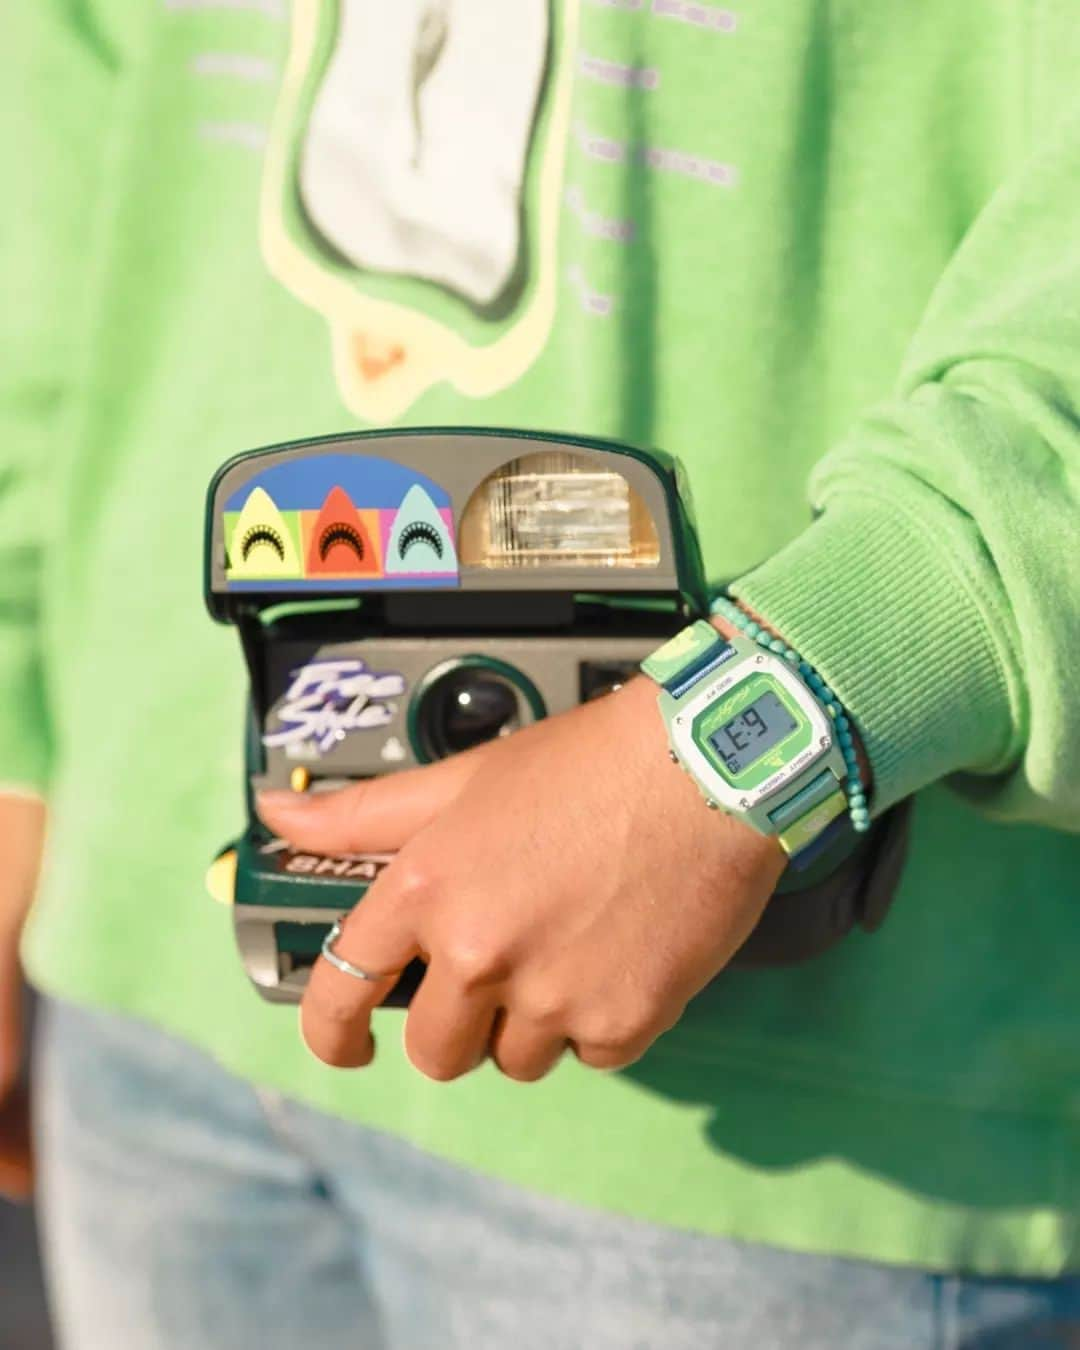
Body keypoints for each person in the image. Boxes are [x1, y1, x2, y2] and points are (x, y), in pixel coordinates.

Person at [3, 2, 1080, 1346]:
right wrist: (16, 724)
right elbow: (59, 84)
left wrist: (767, 725)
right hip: (145, 958)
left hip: (794, 1121)